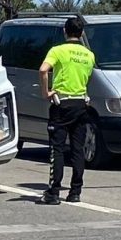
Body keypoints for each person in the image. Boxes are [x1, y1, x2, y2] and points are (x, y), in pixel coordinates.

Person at [38, 17, 96, 205]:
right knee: (77, 149)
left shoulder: (58, 51)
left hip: (61, 103)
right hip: (81, 103)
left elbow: (43, 70)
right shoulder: (89, 55)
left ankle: (54, 192)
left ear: (65, 31)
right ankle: (75, 191)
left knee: (58, 148)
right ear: (82, 33)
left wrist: (45, 92)